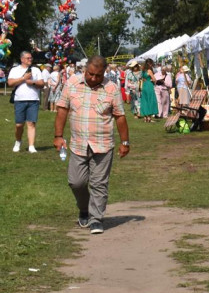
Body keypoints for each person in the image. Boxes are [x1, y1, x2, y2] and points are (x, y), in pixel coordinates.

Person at [54, 55, 130, 235]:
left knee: (99, 183)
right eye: (91, 74)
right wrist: (58, 136)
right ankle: (84, 209)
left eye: (98, 75)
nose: (94, 78)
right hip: (78, 143)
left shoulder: (111, 88)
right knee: (76, 182)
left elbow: (120, 116)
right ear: (85, 69)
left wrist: (125, 142)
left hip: (103, 145)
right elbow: (62, 109)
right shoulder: (72, 83)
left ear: (104, 73)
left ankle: (96, 219)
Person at [10, 51, 44, 153]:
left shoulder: (36, 70)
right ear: (22, 59)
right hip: (19, 100)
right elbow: (10, 83)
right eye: (28, 58)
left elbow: (42, 84)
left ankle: (31, 146)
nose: (30, 59)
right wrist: (23, 78)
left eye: (31, 58)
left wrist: (32, 82)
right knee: (19, 125)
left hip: (33, 100)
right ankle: (18, 141)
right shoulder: (15, 70)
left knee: (31, 123)